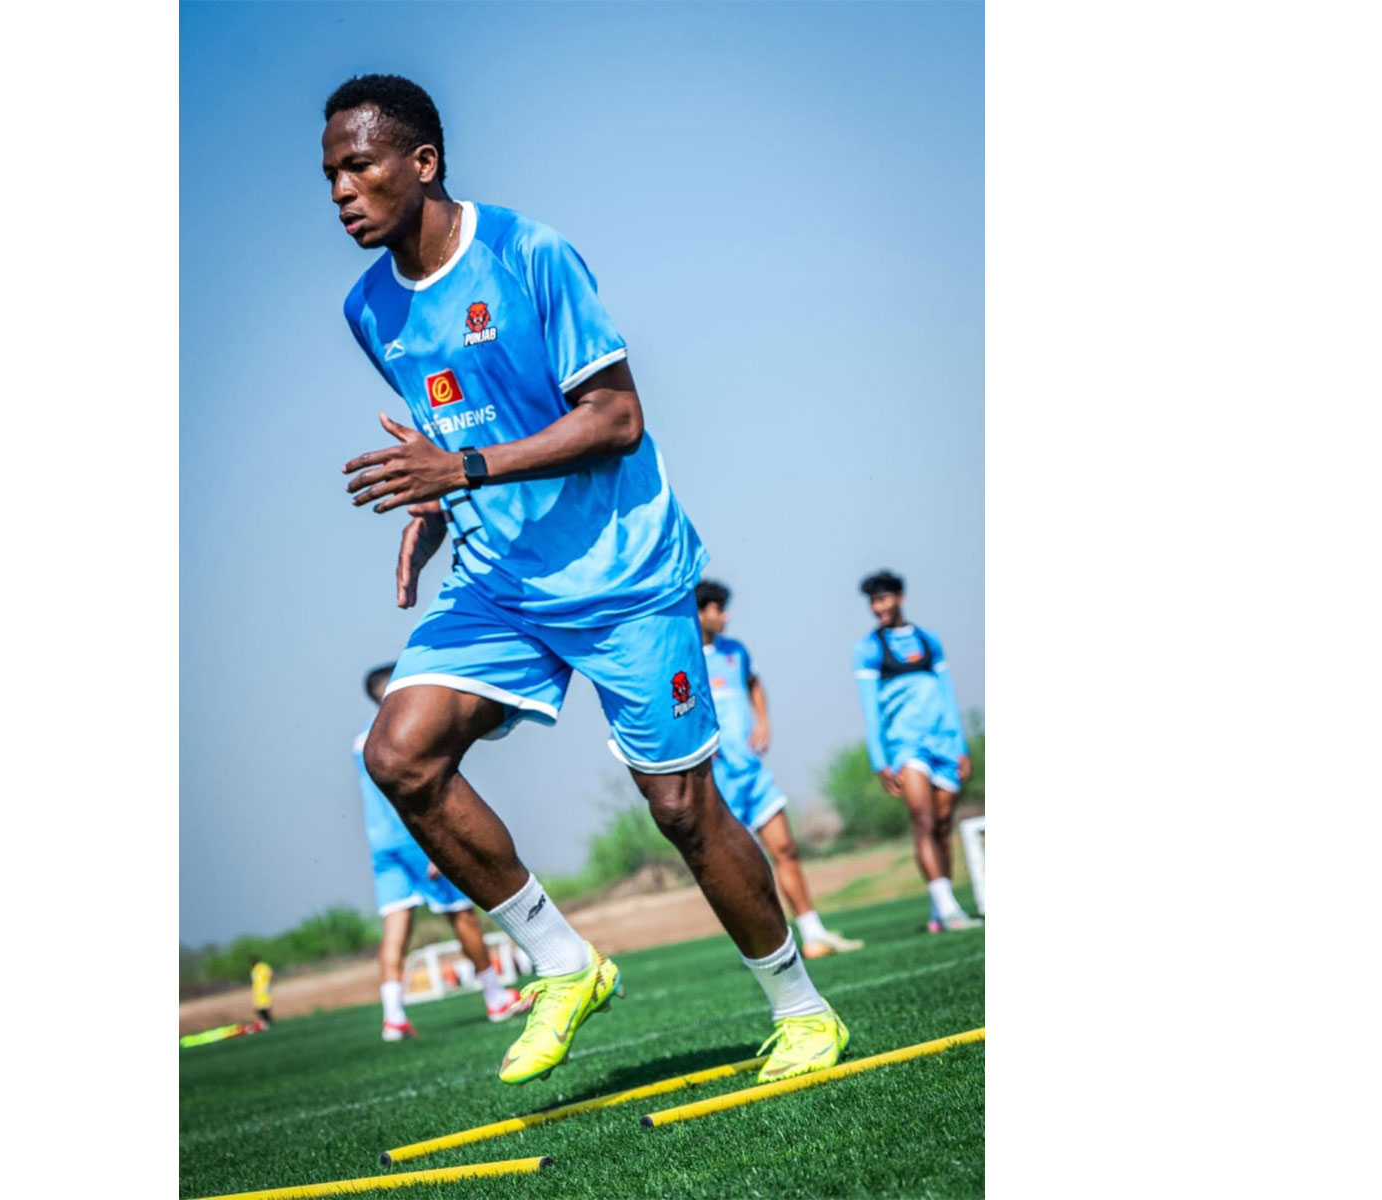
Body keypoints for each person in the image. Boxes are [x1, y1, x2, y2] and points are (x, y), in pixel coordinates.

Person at [324, 74, 845, 1086]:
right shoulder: (367, 307)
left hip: (623, 571)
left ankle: (804, 1011)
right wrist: (437, 500)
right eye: (330, 175)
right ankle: (565, 965)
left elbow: (615, 420)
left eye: (360, 165)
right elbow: (459, 421)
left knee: (683, 808)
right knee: (400, 755)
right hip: (500, 581)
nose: (342, 191)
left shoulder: (528, 254)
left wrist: (461, 471)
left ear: (421, 163)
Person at [356, 664, 528, 1041]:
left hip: (382, 846)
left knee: (395, 930)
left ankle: (393, 1017)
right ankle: (496, 997)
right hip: (413, 836)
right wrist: (433, 842)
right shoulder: (400, 737)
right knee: (463, 914)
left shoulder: (360, 742)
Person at [695, 581, 863, 959]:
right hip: (717, 783)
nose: (726, 616)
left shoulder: (736, 651)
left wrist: (763, 722)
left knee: (786, 848)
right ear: (701, 612)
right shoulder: (684, 658)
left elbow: (755, 685)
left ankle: (814, 934)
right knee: (740, 870)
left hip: (752, 772)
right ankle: (765, 948)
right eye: (719, 609)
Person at [852, 570, 979, 932]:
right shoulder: (869, 649)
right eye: (873, 602)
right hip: (906, 749)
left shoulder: (929, 641)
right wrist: (880, 761)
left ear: (899, 597)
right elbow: (870, 709)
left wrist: (960, 745)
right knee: (922, 820)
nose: (879, 608)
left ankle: (939, 909)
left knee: (941, 826)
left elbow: (947, 693)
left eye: (884, 599)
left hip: (943, 746)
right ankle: (950, 910)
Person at [250, 956, 273, 1025]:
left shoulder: (263, 967)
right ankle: (266, 1020)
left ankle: (268, 1021)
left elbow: (270, 974)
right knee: (258, 1007)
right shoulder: (254, 970)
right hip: (258, 991)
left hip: (264, 989)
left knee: (265, 1005)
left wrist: (269, 985)